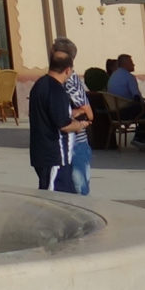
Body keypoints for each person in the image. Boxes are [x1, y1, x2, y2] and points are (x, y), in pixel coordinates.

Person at [29, 39, 91, 193]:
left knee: (64, 194)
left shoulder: (39, 85)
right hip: (55, 156)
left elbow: (51, 114)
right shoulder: (56, 90)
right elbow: (64, 125)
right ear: (68, 70)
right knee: (54, 197)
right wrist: (80, 125)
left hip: (41, 153)